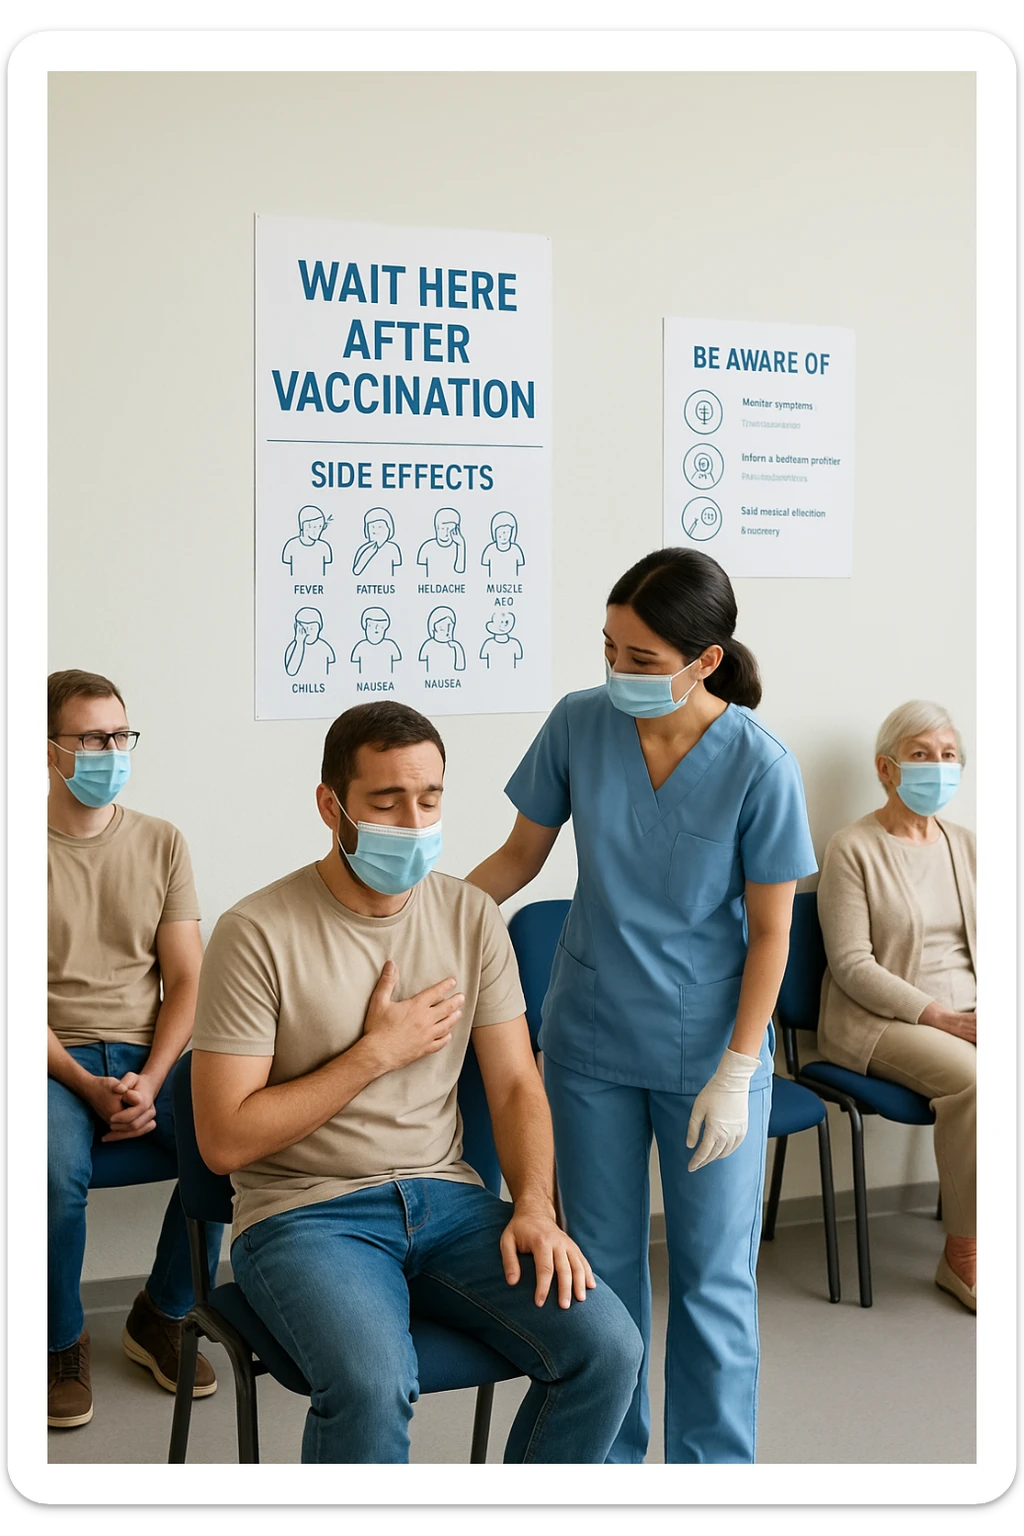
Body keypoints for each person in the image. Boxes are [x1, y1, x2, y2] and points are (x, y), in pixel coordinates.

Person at [190, 701, 643, 1465]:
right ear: (331, 805)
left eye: (429, 799)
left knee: (607, 1349)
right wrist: (374, 1054)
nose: (413, 821)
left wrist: (536, 1207)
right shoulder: (256, 932)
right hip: (307, 1214)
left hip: (449, 1203)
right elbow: (224, 1140)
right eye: (386, 801)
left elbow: (515, 1086)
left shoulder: (470, 916)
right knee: (372, 1383)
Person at [467, 548, 817, 1465]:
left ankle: (712, 1471)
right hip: (588, 1040)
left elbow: (772, 934)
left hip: (711, 1051)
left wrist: (739, 1071)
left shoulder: (760, 764)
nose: (619, 671)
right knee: (597, 1273)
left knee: (713, 1282)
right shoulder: (579, 724)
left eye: (642, 658)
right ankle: (611, 1467)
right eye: (610, 649)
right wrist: (427, 920)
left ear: (706, 661)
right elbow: (519, 858)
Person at [47, 669, 223, 1430]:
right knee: (49, 1172)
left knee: (230, 1142)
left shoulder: (161, 841)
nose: (111, 752)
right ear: (47, 748)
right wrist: (84, 1085)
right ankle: (59, 1341)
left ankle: (163, 1311)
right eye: (92, 739)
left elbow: (187, 980)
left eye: (121, 736)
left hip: (150, 1053)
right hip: (51, 1058)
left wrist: (151, 1079)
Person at [815, 700, 976, 1312]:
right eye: (921, 754)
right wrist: (944, 1018)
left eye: (948, 754)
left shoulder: (968, 846)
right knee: (979, 1082)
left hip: (970, 1012)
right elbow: (852, 965)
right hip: (881, 1022)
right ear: (886, 768)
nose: (939, 766)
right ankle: (964, 1255)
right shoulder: (853, 848)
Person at [281, 506, 334, 582]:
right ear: (304, 526)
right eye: (314, 527)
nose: (318, 530)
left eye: (320, 526)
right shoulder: (291, 546)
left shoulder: (324, 547)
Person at [352, 508, 403, 579]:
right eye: (372, 527)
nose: (375, 531)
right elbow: (356, 571)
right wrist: (367, 554)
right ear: (366, 530)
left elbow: (398, 571)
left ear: (388, 530)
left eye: (380, 527)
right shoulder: (364, 549)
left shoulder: (393, 548)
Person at [416, 507, 466, 580]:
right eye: (443, 528)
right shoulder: (427, 547)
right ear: (436, 528)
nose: (446, 534)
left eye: (450, 530)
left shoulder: (457, 547)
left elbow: (460, 570)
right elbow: (419, 575)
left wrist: (461, 545)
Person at [418, 606, 466, 675]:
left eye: (450, 627)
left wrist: (457, 648)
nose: (448, 632)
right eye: (442, 628)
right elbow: (420, 667)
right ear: (434, 629)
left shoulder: (454, 646)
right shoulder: (428, 645)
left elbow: (460, 667)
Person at [480, 511, 525, 580]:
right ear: (494, 532)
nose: (504, 535)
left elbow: (521, 568)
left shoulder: (516, 550)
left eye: (507, 532)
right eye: (500, 531)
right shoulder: (489, 550)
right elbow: (484, 568)